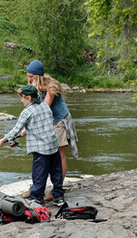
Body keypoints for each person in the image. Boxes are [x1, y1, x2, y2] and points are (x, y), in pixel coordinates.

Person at [0, 85, 64, 206]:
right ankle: (58, 197)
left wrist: (2, 140)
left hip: (41, 150)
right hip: (53, 146)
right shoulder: (45, 106)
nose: (21, 100)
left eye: (22, 98)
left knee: (39, 175)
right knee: (56, 173)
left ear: (28, 97)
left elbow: (15, 130)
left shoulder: (26, 112)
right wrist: (28, 130)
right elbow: (45, 124)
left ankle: (37, 199)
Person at [22, 59, 79, 202]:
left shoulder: (51, 87)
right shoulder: (31, 86)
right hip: (46, 122)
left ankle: (57, 190)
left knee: (59, 154)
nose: (28, 79)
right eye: (27, 76)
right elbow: (30, 108)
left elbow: (44, 108)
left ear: (38, 76)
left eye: (31, 76)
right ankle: (37, 187)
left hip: (59, 120)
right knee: (41, 153)